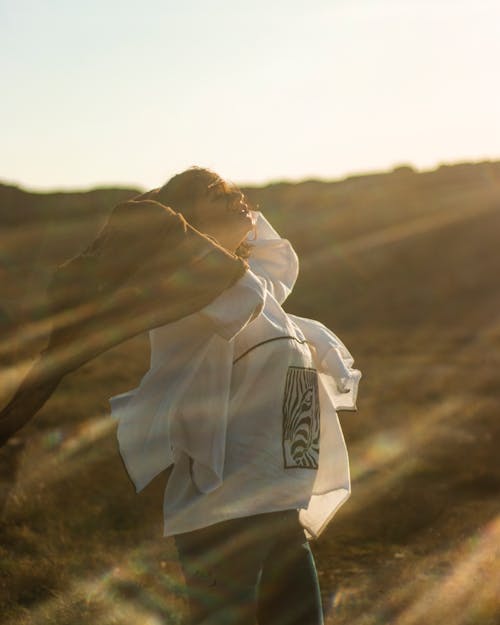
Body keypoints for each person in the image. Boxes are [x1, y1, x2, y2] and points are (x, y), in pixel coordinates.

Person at [110, 167, 361, 625]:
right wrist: (172, 220)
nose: (239, 201)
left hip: (281, 509)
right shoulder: (189, 295)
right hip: (222, 520)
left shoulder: (258, 296)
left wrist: (233, 214)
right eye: (217, 195)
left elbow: (276, 259)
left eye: (237, 193)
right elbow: (208, 265)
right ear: (187, 222)